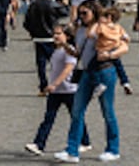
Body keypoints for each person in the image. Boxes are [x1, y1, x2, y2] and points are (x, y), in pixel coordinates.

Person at [55, 0, 125, 163]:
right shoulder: (80, 30)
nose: (82, 16)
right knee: (77, 111)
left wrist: (110, 55)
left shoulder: (104, 28)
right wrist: (65, 45)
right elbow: (78, 53)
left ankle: (113, 149)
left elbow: (122, 44)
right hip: (86, 72)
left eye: (85, 13)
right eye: (80, 13)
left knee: (107, 111)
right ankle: (72, 150)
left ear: (94, 12)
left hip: (105, 72)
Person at [26, 24, 92, 156]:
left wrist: (54, 84)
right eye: (54, 34)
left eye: (58, 34)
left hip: (70, 91)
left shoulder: (70, 51)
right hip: (56, 92)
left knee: (76, 117)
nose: (55, 36)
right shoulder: (56, 50)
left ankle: (85, 142)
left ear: (67, 36)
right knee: (48, 118)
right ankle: (39, 144)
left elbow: (68, 69)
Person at [26, 0, 63, 90]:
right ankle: (56, 82)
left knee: (41, 64)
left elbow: (26, 22)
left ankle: (43, 84)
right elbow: (64, 12)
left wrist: (32, 32)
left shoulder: (33, 5)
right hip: (51, 37)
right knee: (55, 62)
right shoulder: (52, 4)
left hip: (38, 37)